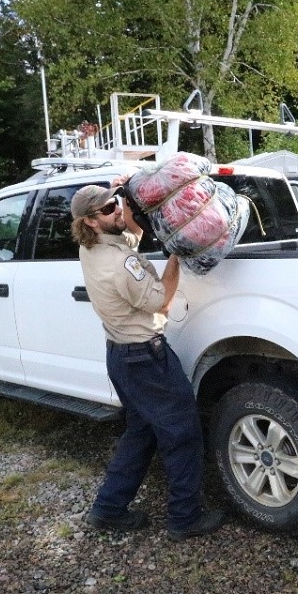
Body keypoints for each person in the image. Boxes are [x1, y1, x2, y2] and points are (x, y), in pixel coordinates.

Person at [70, 181, 224, 542]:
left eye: (116, 204)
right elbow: (162, 302)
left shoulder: (93, 247)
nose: (117, 211)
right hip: (145, 360)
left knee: (141, 433)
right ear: (91, 221)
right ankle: (184, 518)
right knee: (182, 433)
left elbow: (132, 234)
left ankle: (107, 509)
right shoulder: (117, 264)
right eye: (108, 209)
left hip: (121, 357)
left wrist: (122, 197)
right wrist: (176, 251)